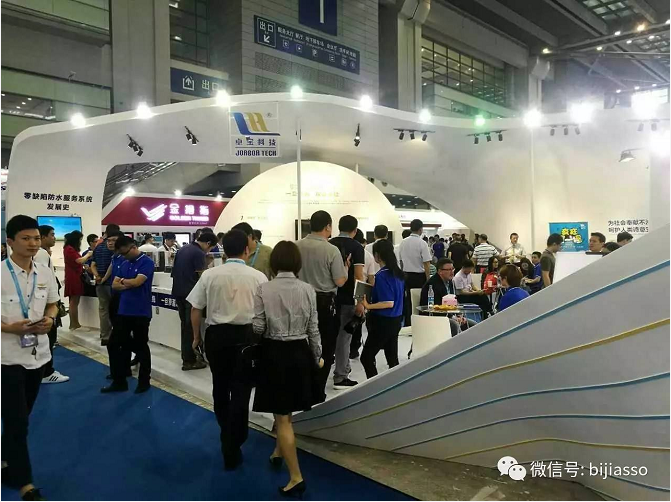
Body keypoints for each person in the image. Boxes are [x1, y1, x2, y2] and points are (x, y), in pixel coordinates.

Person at [188, 230, 268, 470]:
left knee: (220, 387)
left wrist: (196, 337)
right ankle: (235, 439)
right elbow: (265, 311)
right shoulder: (258, 276)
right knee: (242, 390)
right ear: (247, 249)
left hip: (217, 337)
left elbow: (195, 308)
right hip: (247, 338)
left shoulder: (210, 274)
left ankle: (227, 434)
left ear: (223, 249)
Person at [252, 241, 323, 497]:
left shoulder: (263, 289)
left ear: (274, 263)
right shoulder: (308, 289)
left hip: (275, 353)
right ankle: (278, 452)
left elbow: (258, 327)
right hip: (301, 352)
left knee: (281, 415)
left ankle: (295, 477)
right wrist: (317, 356)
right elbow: (314, 328)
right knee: (287, 411)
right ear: (297, 263)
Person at [2, 215, 59, 501]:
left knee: (22, 415)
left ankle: (5, 459)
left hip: (38, 356)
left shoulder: (44, 272)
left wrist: (50, 319)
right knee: (18, 422)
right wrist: (9, 328)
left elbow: (53, 303)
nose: (33, 243)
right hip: (7, 358)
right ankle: (24, 482)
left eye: (36, 238)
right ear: (10, 242)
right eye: (26, 238)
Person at [295, 210, 348, 402]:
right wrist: (346, 269)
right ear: (327, 226)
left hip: (299, 301)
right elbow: (340, 281)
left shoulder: (296, 246)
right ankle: (317, 393)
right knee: (325, 348)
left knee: (302, 346)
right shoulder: (331, 250)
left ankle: (303, 390)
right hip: (324, 304)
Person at [102, 236, 155, 394]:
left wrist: (125, 282)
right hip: (123, 310)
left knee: (141, 346)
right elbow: (115, 285)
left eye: (125, 253)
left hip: (140, 311)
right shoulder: (125, 263)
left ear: (133, 247)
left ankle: (144, 381)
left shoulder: (147, 262)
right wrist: (129, 282)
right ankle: (119, 380)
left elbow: (138, 282)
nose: (123, 256)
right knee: (114, 344)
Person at [171, 232, 218, 371]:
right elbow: (203, 276)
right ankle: (190, 360)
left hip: (178, 292)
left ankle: (187, 357)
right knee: (191, 328)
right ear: (208, 243)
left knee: (185, 326)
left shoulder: (183, 249)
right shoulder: (198, 253)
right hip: (191, 295)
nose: (209, 251)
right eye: (211, 248)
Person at [328, 215, 365, 390]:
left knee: (328, 336)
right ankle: (341, 376)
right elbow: (358, 276)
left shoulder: (329, 244)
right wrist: (360, 301)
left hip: (329, 297)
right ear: (355, 230)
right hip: (348, 297)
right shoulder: (357, 247)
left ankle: (330, 370)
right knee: (344, 337)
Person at [361, 239, 404, 378]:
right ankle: (395, 385)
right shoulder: (398, 274)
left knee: (366, 357)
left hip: (383, 321)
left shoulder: (382, 275)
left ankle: (375, 385)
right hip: (396, 319)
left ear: (377, 255)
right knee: (392, 359)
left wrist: (368, 305)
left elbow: (388, 302)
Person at [33, 225, 69, 384]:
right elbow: (42, 280)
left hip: (42, 303)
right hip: (45, 304)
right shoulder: (41, 254)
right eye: (52, 235)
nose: (54, 238)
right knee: (48, 337)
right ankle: (46, 372)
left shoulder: (42, 253)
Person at [419, 258, 475, 336]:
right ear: (440, 271)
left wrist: (459, 315)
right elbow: (436, 308)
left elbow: (454, 301)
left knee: (474, 325)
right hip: (435, 317)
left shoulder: (450, 282)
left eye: (452, 269)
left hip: (450, 316)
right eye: (448, 270)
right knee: (455, 325)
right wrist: (453, 317)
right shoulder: (432, 285)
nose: (452, 272)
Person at [91, 223, 121, 346]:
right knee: (117, 310)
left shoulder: (98, 247)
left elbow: (93, 264)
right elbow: (113, 265)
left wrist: (97, 276)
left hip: (100, 284)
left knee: (103, 310)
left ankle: (105, 336)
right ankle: (118, 335)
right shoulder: (116, 248)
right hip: (112, 283)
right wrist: (103, 279)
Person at [398, 219, 431, 327]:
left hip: (406, 275)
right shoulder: (422, 243)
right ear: (421, 229)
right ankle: (419, 324)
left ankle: (408, 324)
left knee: (408, 301)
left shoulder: (403, 242)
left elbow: (401, 261)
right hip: (419, 277)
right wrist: (428, 279)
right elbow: (426, 263)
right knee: (420, 300)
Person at [350, 229, 375, 359]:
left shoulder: (344, 252)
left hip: (344, 290)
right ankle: (354, 349)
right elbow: (371, 278)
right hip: (360, 291)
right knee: (357, 320)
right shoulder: (368, 256)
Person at [63, 231, 94, 331]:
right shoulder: (69, 249)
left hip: (73, 276)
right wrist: (88, 254)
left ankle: (74, 323)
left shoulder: (68, 249)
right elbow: (79, 260)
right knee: (74, 301)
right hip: (74, 277)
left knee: (73, 301)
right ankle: (74, 324)